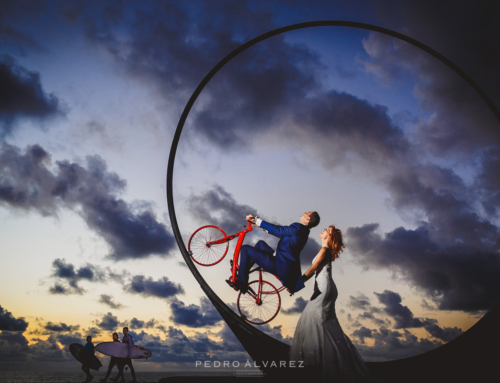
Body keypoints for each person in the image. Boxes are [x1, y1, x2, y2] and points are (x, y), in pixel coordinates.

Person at [290, 225, 376, 382]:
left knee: (312, 320)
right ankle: (331, 363)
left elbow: (311, 270)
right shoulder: (324, 249)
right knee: (325, 326)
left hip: (324, 290)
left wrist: (296, 284)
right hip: (326, 289)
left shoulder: (325, 250)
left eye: (326, 230)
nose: (323, 230)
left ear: (329, 237)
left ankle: (320, 366)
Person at [233, 211, 320, 295]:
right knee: (260, 244)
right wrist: (261, 226)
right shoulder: (303, 231)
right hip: (281, 262)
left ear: (308, 219)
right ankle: (243, 271)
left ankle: (242, 283)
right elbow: (281, 233)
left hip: (278, 265)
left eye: (307, 212)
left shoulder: (298, 228)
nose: (304, 212)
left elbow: (278, 229)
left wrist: (256, 219)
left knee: (245, 249)